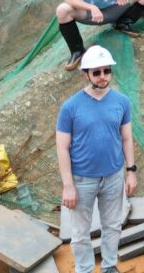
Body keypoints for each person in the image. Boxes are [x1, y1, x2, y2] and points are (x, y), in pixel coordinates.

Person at [55, 46, 137, 273]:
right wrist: (68, 186)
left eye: (106, 71)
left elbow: (127, 138)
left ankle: (110, 266)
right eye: (97, 72)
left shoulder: (121, 101)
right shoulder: (70, 107)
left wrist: (131, 171)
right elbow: (62, 147)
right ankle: (85, 270)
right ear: (86, 74)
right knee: (81, 233)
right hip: (82, 180)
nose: (103, 77)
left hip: (113, 176)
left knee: (112, 226)